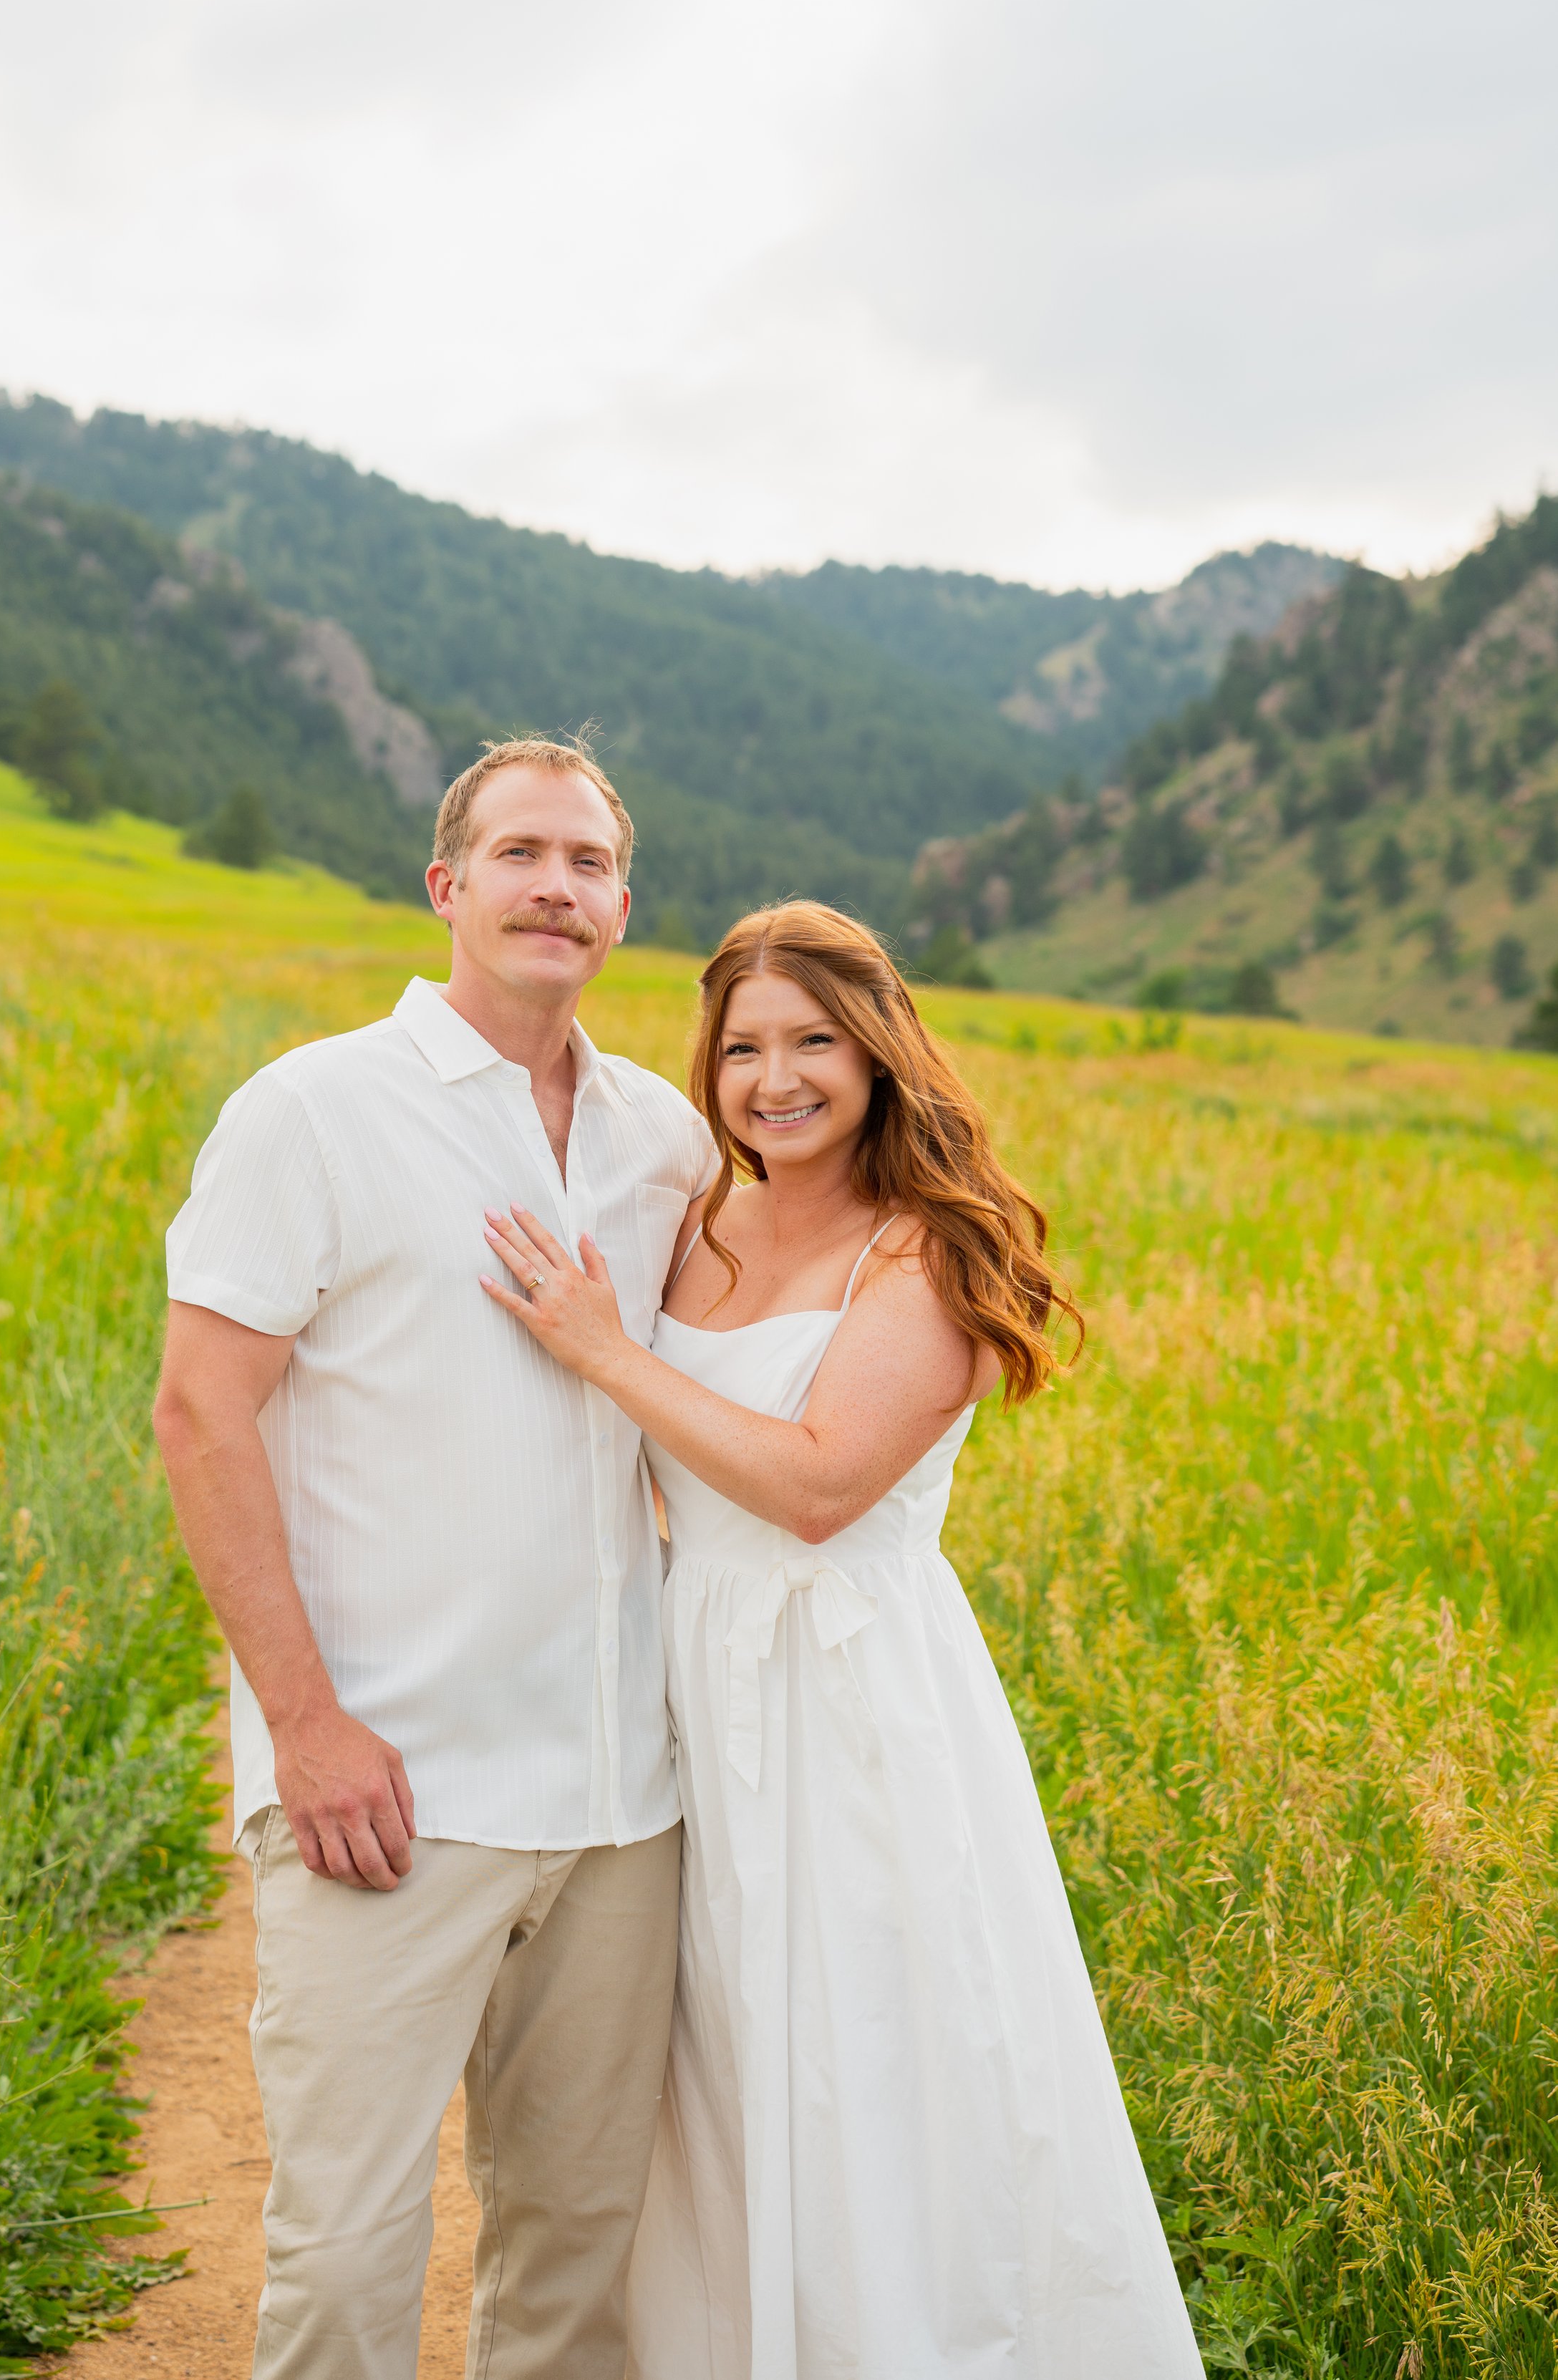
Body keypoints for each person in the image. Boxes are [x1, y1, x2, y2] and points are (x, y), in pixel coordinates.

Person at [479, 901, 1206, 2379]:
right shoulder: (697, 1222)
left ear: (878, 1053)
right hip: (692, 1670)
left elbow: (815, 1485)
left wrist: (606, 1351)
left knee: (870, 2054)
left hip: (849, 1693)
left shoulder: (922, 1251)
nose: (774, 1078)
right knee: (716, 2064)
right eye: (742, 1047)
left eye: (812, 1041)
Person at [152, 736, 718, 2380]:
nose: (558, 886)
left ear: (622, 904)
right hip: (387, 1791)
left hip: (623, 1804)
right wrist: (305, 1729)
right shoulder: (315, 1110)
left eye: (591, 863)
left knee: (576, 2261)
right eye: (522, 853)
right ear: (446, 886)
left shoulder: (662, 1140)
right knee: (345, 2256)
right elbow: (202, 1417)